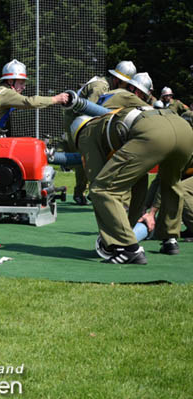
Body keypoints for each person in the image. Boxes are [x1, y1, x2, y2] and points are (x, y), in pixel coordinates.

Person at [75, 72, 193, 264]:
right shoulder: (146, 105)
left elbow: (100, 182)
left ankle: (129, 248)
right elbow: (141, 181)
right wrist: (150, 212)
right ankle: (170, 239)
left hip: (151, 132)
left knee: (101, 189)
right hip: (182, 128)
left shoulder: (92, 125)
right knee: (172, 184)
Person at [62, 60, 137, 204]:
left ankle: (94, 189)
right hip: (77, 121)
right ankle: (80, 192)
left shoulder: (109, 87)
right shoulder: (100, 87)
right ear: (117, 80)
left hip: (87, 120)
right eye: (125, 84)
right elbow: (90, 112)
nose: (127, 88)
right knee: (85, 156)